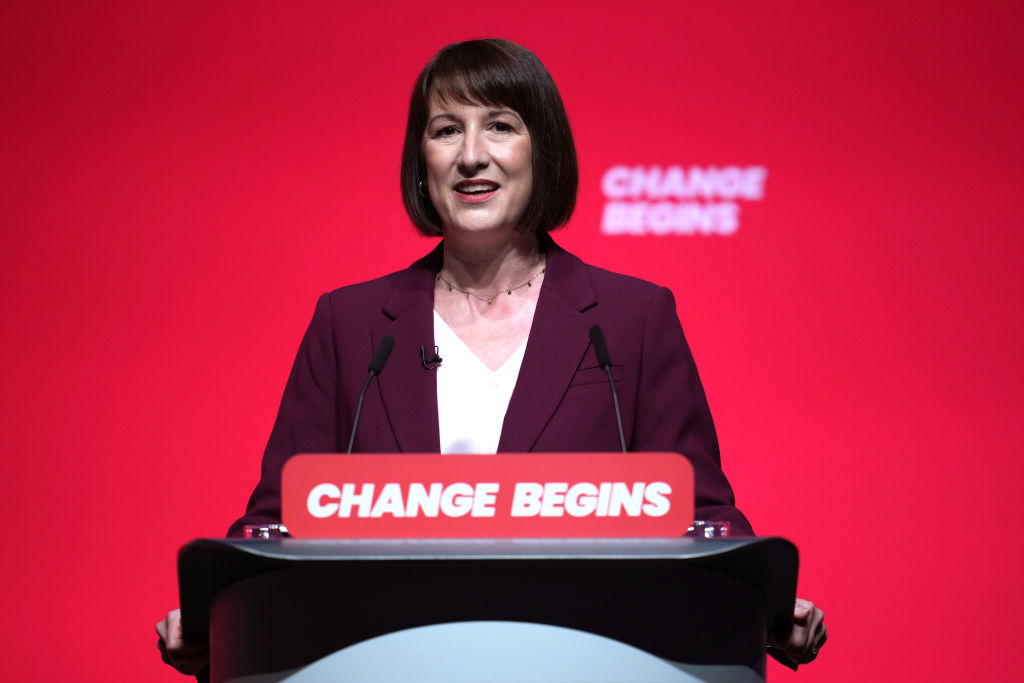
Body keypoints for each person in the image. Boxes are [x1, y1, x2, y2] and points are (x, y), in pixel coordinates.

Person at [157, 38, 827, 676]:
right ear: (422, 159)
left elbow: (703, 517)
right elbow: (274, 521)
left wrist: (760, 605)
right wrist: (216, 619)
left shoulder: (631, 320)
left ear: (544, 152)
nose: (471, 155)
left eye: (500, 126)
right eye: (446, 130)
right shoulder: (353, 324)